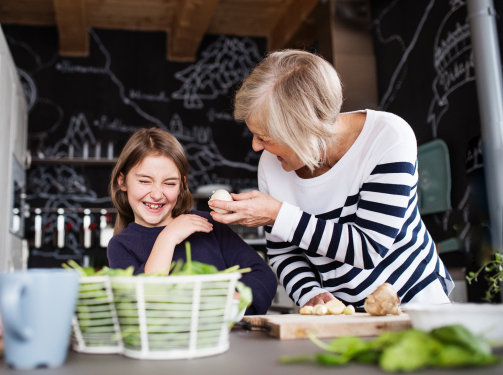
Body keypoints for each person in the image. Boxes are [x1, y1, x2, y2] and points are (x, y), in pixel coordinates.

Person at [208, 50, 453, 308]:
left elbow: (368, 248)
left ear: (305, 129)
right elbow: (284, 253)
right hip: (340, 315)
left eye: (265, 137)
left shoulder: (387, 138)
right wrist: (310, 293)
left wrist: (277, 214)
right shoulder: (270, 165)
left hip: (413, 302)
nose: (256, 147)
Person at [106, 128, 277, 315]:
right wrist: (168, 238)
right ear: (122, 182)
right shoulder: (120, 246)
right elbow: (136, 306)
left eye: (170, 183)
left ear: (181, 186)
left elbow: (263, 276)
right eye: (145, 181)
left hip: (225, 341)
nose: (156, 194)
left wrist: (224, 302)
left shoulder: (208, 225)